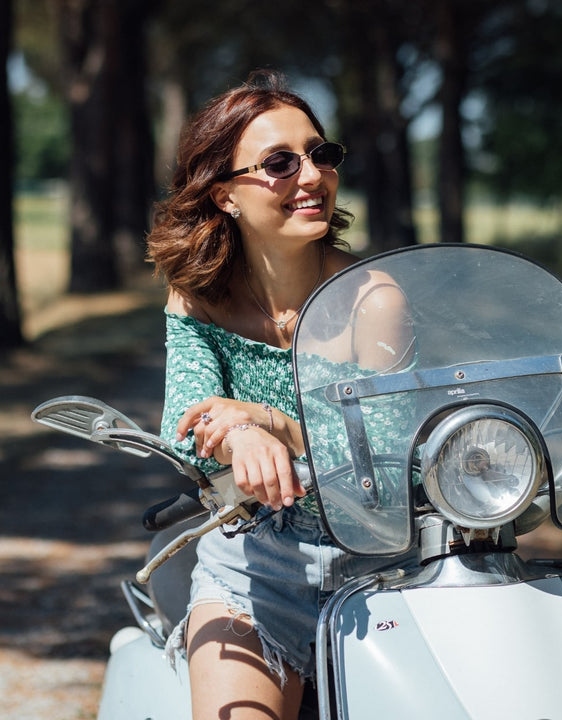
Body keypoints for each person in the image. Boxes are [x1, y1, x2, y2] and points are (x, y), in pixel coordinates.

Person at [147, 70, 415, 720]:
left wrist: (270, 420)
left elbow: (389, 448)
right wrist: (238, 435)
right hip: (253, 568)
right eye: (279, 162)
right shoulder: (197, 295)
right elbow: (184, 425)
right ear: (226, 194)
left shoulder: (374, 298)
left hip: (382, 572)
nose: (312, 175)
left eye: (322, 154)